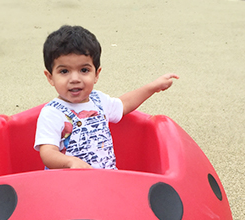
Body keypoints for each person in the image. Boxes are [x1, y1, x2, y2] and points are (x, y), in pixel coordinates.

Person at [34, 25, 178, 170]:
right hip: (69, 185)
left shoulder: (99, 100)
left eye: (84, 70)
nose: (75, 79)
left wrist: (153, 86)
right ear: (50, 77)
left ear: (96, 74)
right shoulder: (52, 113)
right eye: (64, 71)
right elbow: (48, 153)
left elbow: (124, 104)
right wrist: (70, 162)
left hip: (107, 180)